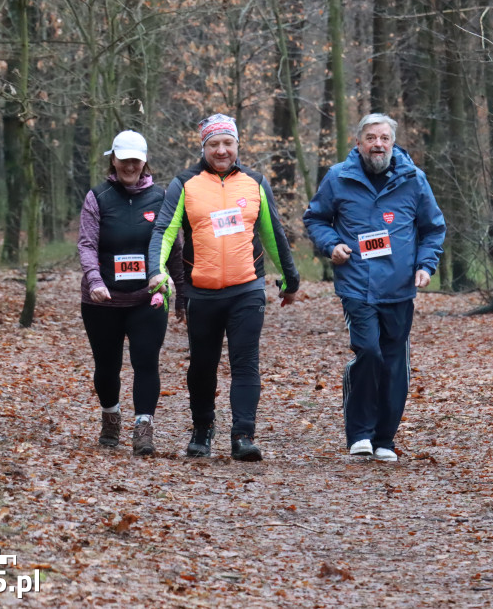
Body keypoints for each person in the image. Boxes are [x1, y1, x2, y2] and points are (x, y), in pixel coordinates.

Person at [148, 113, 300, 462]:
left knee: (245, 362)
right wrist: (157, 271)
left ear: (237, 145)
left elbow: (273, 234)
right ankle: (202, 430)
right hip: (201, 291)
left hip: (246, 290)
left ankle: (243, 436)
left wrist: (291, 279)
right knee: (202, 365)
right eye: (213, 144)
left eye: (227, 143)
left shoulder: (255, 182)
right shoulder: (184, 184)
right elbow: (164, 231)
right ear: (204, 147)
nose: (221, 150)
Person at [303, 113, 446, 462]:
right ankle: (359, 434)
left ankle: (385, 438)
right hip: (357, 284)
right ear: (359, 143)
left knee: (394, 364)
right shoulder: (339, 177)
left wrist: (426, 266)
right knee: (368, 352)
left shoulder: (414, 179)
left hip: (399, 287)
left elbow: (433, 228)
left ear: (393, 143)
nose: (377, 144)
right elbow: (316, 218)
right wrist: (331, 245)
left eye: (384, 138)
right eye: (371, 138)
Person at [77, 130, 186, 456]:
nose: (130, 166)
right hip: (102, 300)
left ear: (144, 161)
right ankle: (110, 416)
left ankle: (144, 428)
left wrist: (180, 292)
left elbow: (174, 248)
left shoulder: (161, 197)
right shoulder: (97, 197)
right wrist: (95, 281)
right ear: (114, 160)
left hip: (147, 298)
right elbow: (86, 244)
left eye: (135, 160)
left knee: (146, 362)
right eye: (124, 160)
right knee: (107, 366)